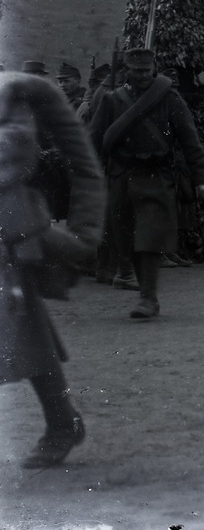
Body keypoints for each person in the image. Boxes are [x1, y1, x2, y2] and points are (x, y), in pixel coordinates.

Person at [0, 73, 105, 467]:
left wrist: (83, 236)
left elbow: (18, 150)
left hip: (10, 237)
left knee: (27, 338)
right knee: (29, 336)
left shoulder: (14, 103)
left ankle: (62, 424)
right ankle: (62, 421)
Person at [86, 48, 204, 317]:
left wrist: (202, 179)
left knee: (150, 237)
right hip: (121, 177)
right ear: (126, 72)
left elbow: (190, 141)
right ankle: (146, 294)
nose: (143, 76)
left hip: (156, 177)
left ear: (154, 69)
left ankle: (148, 298)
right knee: (126, 239)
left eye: (147, 70)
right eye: (137, 70)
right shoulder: (111, 101)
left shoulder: (169, 99)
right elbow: (94, 139)